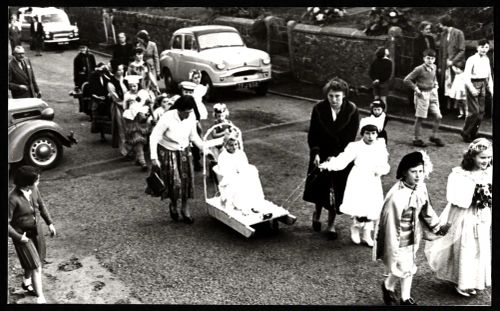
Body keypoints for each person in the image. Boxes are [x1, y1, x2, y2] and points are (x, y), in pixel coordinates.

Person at [374, 151, 449, 305]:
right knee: (404, 265)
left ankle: (400, 294)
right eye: (413, 172)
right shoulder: (396, 195)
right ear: (404, 172)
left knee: (408, 264)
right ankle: (396, 292)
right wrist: (391, 243)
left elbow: (426, 209)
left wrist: (437, 227)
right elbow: (389, 222)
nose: (418, 176)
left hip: (414, 234)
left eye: (420, 171)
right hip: (399, 236)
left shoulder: (421, 187)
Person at [425, 138, 492, 297]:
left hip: (481, 215)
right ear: (472, 157)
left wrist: (487, 196)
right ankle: (462, 282)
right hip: (464, 215)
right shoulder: (460, 174)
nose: (486, 161)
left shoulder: (489, 171)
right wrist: (475, 194)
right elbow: (455, 196)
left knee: (479, 247)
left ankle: (473, 280)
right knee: (466, 247)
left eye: (489, 157)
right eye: (482, 157)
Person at [302, 77, 360, 239]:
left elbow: (350, 137)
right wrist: (316, 153)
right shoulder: (319, 108)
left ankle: (331, 225)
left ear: (344, 96)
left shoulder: (352, 110)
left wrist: (336, 159)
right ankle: (317, 214)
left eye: (337, 96)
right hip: (321, 154)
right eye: (331, 96)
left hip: (340, 156)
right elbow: (313, 133)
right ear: (326, 96)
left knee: (336, 189)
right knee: (320, 187)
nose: (334, 100)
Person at [319, 118, 390, 246]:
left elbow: (385, 165)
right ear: (362, 133)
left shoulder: (380, 146)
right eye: (367, 133)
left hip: (373, 179)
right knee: (359, 204)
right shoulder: (355, 146)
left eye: (373, 133)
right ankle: (356, 228)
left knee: (371, 205)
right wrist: (328, 165)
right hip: (358, 178)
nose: (370, 136)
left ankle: (367, 233)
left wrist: (380, 170)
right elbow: (343, 160)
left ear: (377, 134)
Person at [149, 95, 205, 224]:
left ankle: (185, 207)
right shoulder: (167, 117)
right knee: (175, 183)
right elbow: (154, 136)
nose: (188, 115)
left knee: (186, 181)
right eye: (186, 112)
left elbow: (194, 136)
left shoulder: (191, 116)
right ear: (179, 109)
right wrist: (153, 157)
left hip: (184, 151)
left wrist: (204, 149)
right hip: (168, 151)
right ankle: (173, 204)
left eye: (190, 112)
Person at [9, 166, 57, 304]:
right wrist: (19, 237)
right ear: (27, 183)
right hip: (23, 237)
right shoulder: (12, 199)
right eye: (36, 180)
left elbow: (41, 205)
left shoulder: (34, 189)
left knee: (35, 261)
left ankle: (26, 282)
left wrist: (50, 223)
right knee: (36, 266)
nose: (38, 182)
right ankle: (40, 298)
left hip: (36, 232)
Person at [216, 132, 268, 215]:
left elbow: (245, 165)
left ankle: (255, 203)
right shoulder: (223, 156)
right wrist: (235, 172)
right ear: (226, 145)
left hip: (241, 174)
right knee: (238, 181)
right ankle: (243, 206)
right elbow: (223, 171)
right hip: (228, 178)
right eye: (231, 145)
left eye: (235, 144)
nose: (234, 147)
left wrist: (242, 171)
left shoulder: (240, 153)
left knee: (252, 176)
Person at [404, 49, 444, 147]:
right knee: (420, 117)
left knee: (438, 116)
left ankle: (434, 136)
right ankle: (416, 139)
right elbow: (407, 80)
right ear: (424, 58)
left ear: (434, 59)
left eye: (432, 58)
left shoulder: (434, 67)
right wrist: (416, 89)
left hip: (432, 94)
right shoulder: (419, 69)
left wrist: (435, 84)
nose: (430, 60)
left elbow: (434, 78)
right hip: (422, 95)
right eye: (428, 58)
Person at [461, 39, 494, 143]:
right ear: (477, 47)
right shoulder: (471, 59)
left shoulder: (486, 59)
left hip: (483, 84)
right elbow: (466, 76)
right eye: (482, 47)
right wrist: (472, 88)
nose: (484, 49)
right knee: (474, 111)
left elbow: (488, 76)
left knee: (481, 112)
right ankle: (465, 132)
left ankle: (473, 133)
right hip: (473, 83)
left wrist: (491, 89)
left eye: (486, 47)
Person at [122, 75, 154, 170]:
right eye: (130, 86)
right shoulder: (127, 95)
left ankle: (137, 158)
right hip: (132, 119)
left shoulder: (143, 93)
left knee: (143, 139)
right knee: (137, 138)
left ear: (138, 85)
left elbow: (150, 104)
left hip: (143, 119)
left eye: (134, 86)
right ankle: (142, 161)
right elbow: (124, 107)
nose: (132, 88)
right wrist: (129, 104)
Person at [437, 15, 465, 115]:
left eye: (441, 24)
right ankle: (447, 108)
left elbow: (462, 50)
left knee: (455, 86)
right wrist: (440, 66)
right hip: (445, 65)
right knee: (445, 86)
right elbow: (440, 51)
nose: (440, 26)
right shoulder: (443, 34)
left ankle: (456, 109)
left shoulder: (458, 33)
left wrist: (452, 62)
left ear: (446, 24)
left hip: (455, 65)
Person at [179, 81, 204, 171]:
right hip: (181, 127)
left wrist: (196, 121)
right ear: (182, 91)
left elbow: (197, 114)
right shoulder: (179, 102)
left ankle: (196, 161)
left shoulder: (193, 102)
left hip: (192, 125)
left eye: (190, 92)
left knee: (194, 145)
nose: (188, 94)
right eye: (186, 92)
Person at [107, 61, 131, 159]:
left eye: (122, 69)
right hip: (119, 107)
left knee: (130, 128)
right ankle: (124, 151)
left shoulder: (126, 79)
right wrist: (125, 104)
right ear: (114, 71)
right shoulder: (111, 83)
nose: (122, 71)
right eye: (119, 70)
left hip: (129, 107)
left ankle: (131, 149)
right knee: (122, 128)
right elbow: (116, 98)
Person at [87, 62, 112, 142]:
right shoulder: (93, 76)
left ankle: (104, 133)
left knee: (105, 118)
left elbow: (110, 83)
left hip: (104, 100)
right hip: (96, 99)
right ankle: (101, 134)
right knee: (97, 117)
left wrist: (108, 94)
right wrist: (96, 96)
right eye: (101, 71)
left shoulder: (105, 76)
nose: (102, 73)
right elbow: (90, 88)